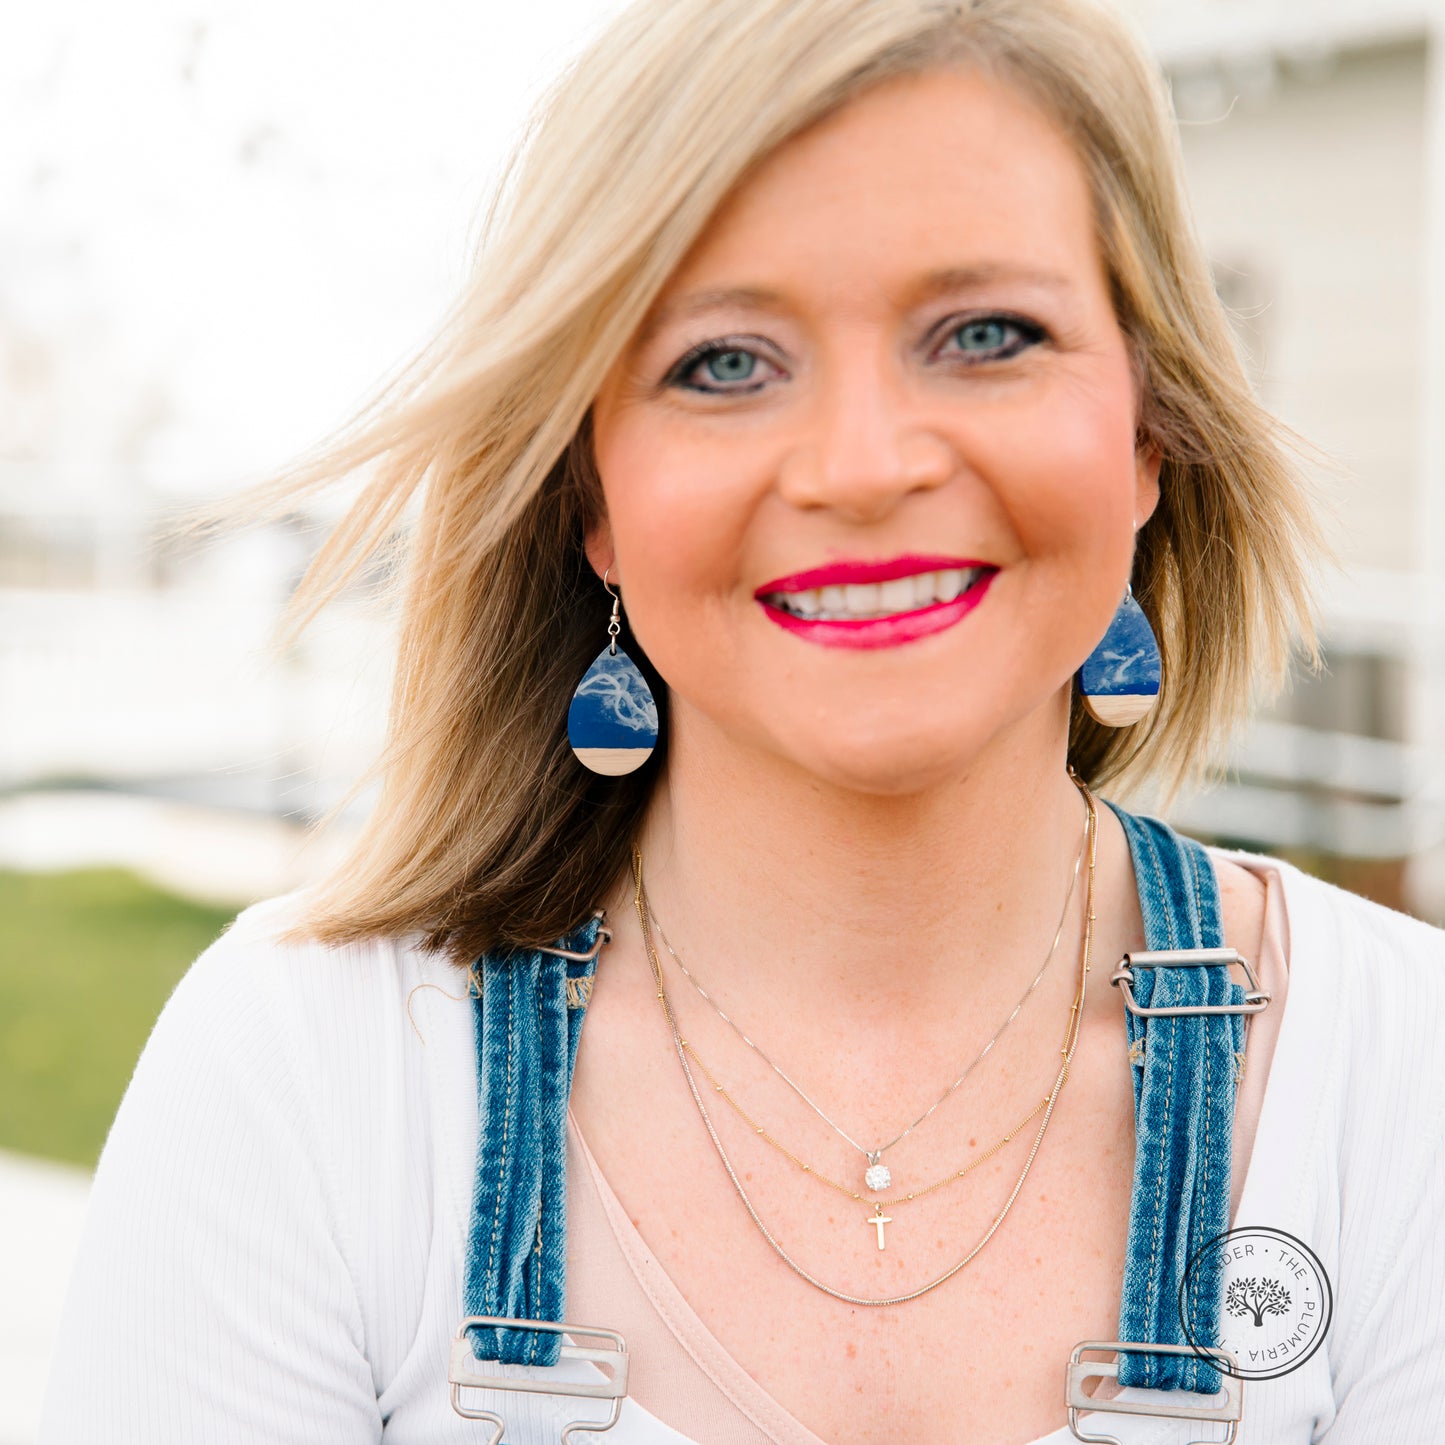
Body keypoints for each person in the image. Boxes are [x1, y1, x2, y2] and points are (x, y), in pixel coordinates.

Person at [39, 0, 1445, 1441]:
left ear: (1147, 433)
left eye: (984, 334)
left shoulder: (1402, 1074)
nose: (860, 466)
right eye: (722, 363)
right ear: (587, 492)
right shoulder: (309, 1068)